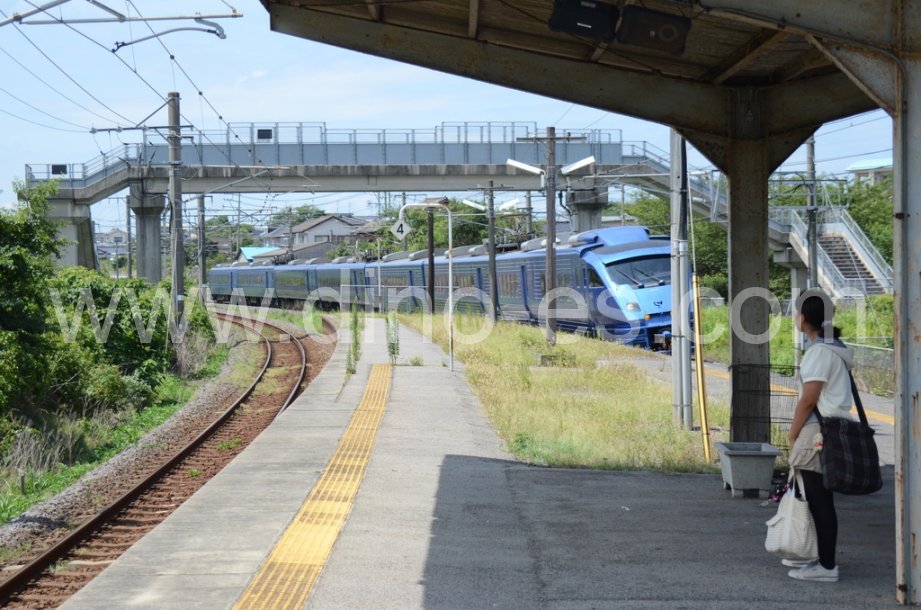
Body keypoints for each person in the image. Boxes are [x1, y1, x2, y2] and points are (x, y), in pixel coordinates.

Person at [784, 292, 856, 583]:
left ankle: (826, 566)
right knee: (817, 498)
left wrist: (792, 433)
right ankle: (819, 559)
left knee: (818, 500)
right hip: (830, 427)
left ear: (803, 318)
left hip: (817, 430)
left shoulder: (819, 353)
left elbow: (808, 399)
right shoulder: (833, 347)